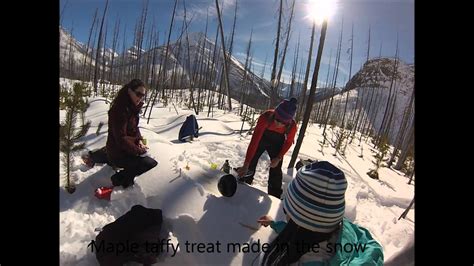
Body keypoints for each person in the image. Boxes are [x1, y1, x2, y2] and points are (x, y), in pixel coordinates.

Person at [257, 161, 383, 266]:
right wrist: (275, 224)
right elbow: (303, 235)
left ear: (299, 222)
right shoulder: (343, 233)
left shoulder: (309, 261)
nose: (286, 213)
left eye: (288, 209)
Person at [235, 98, 298, 198]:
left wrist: (278, 157)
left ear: (288, 122)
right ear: (275, 114)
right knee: (252, 161)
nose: (279, 124)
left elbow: (288, 143)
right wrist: (246, 163)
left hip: (278, 141)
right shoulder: (266, 117)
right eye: (277, 120)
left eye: (283, 123)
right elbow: (254, 141)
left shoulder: (292, 126)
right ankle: (244, 186)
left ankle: (275, 196)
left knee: (276, 168)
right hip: (263, 137)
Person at [105, 79, 157, 188]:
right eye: (138, 94)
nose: (140, 98)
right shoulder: (119, 110)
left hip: (126, 149)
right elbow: (121, 139)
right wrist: (139, 151)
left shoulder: (131, 108)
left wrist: (140, 141)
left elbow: (134, 129)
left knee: (146, 161)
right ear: (129, 91)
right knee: (149, 163)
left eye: (143, 95)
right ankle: (118, 179)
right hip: (117, 153)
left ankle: (126, 176)